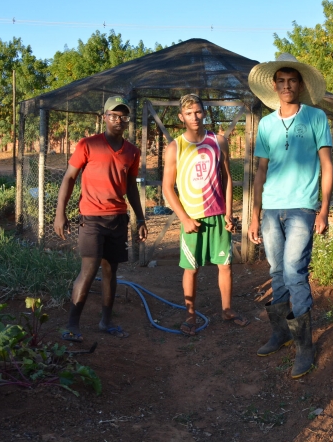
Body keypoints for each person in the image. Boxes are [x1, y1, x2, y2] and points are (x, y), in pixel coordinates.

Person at [247, 53, 333, 379]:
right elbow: (260, 172)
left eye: (292, 81)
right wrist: (254, 215)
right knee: (276, 271)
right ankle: (281, 332)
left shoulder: (315, 118)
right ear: (274, 85)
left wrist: (324, 209)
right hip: (270, 208)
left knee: (295, 271)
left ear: (299, 84)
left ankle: (304, 348)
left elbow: (327, 165)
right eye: (281, 81)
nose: (286, 86)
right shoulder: (267, 123)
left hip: (302, 207)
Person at [54, 96, 148, 342]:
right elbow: (69, 178)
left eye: (123, 116)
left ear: (127, 120)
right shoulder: (88, 145)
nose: (119, 120)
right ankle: (72, 324)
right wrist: (59, 213)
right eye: (114, 115)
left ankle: (106, 322)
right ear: (104, 117)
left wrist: (140, 218)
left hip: (118, 218)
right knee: (89, 269)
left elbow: (131, 187)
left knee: (110, 271)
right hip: (92, 218)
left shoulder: (132, 151)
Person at [162, 93, 250, 336]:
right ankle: (190, 315)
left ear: (204, 112)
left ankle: (227, 309)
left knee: (225, 265)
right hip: (193, 219)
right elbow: (167, 188)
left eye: (198, 111)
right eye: (189, 113)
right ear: (181, 117)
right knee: (191, 268)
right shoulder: (175, 147)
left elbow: (227, 178)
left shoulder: (219, 141)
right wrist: (184, 218)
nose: (195, 117)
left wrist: (229, 213)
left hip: (218, 215)